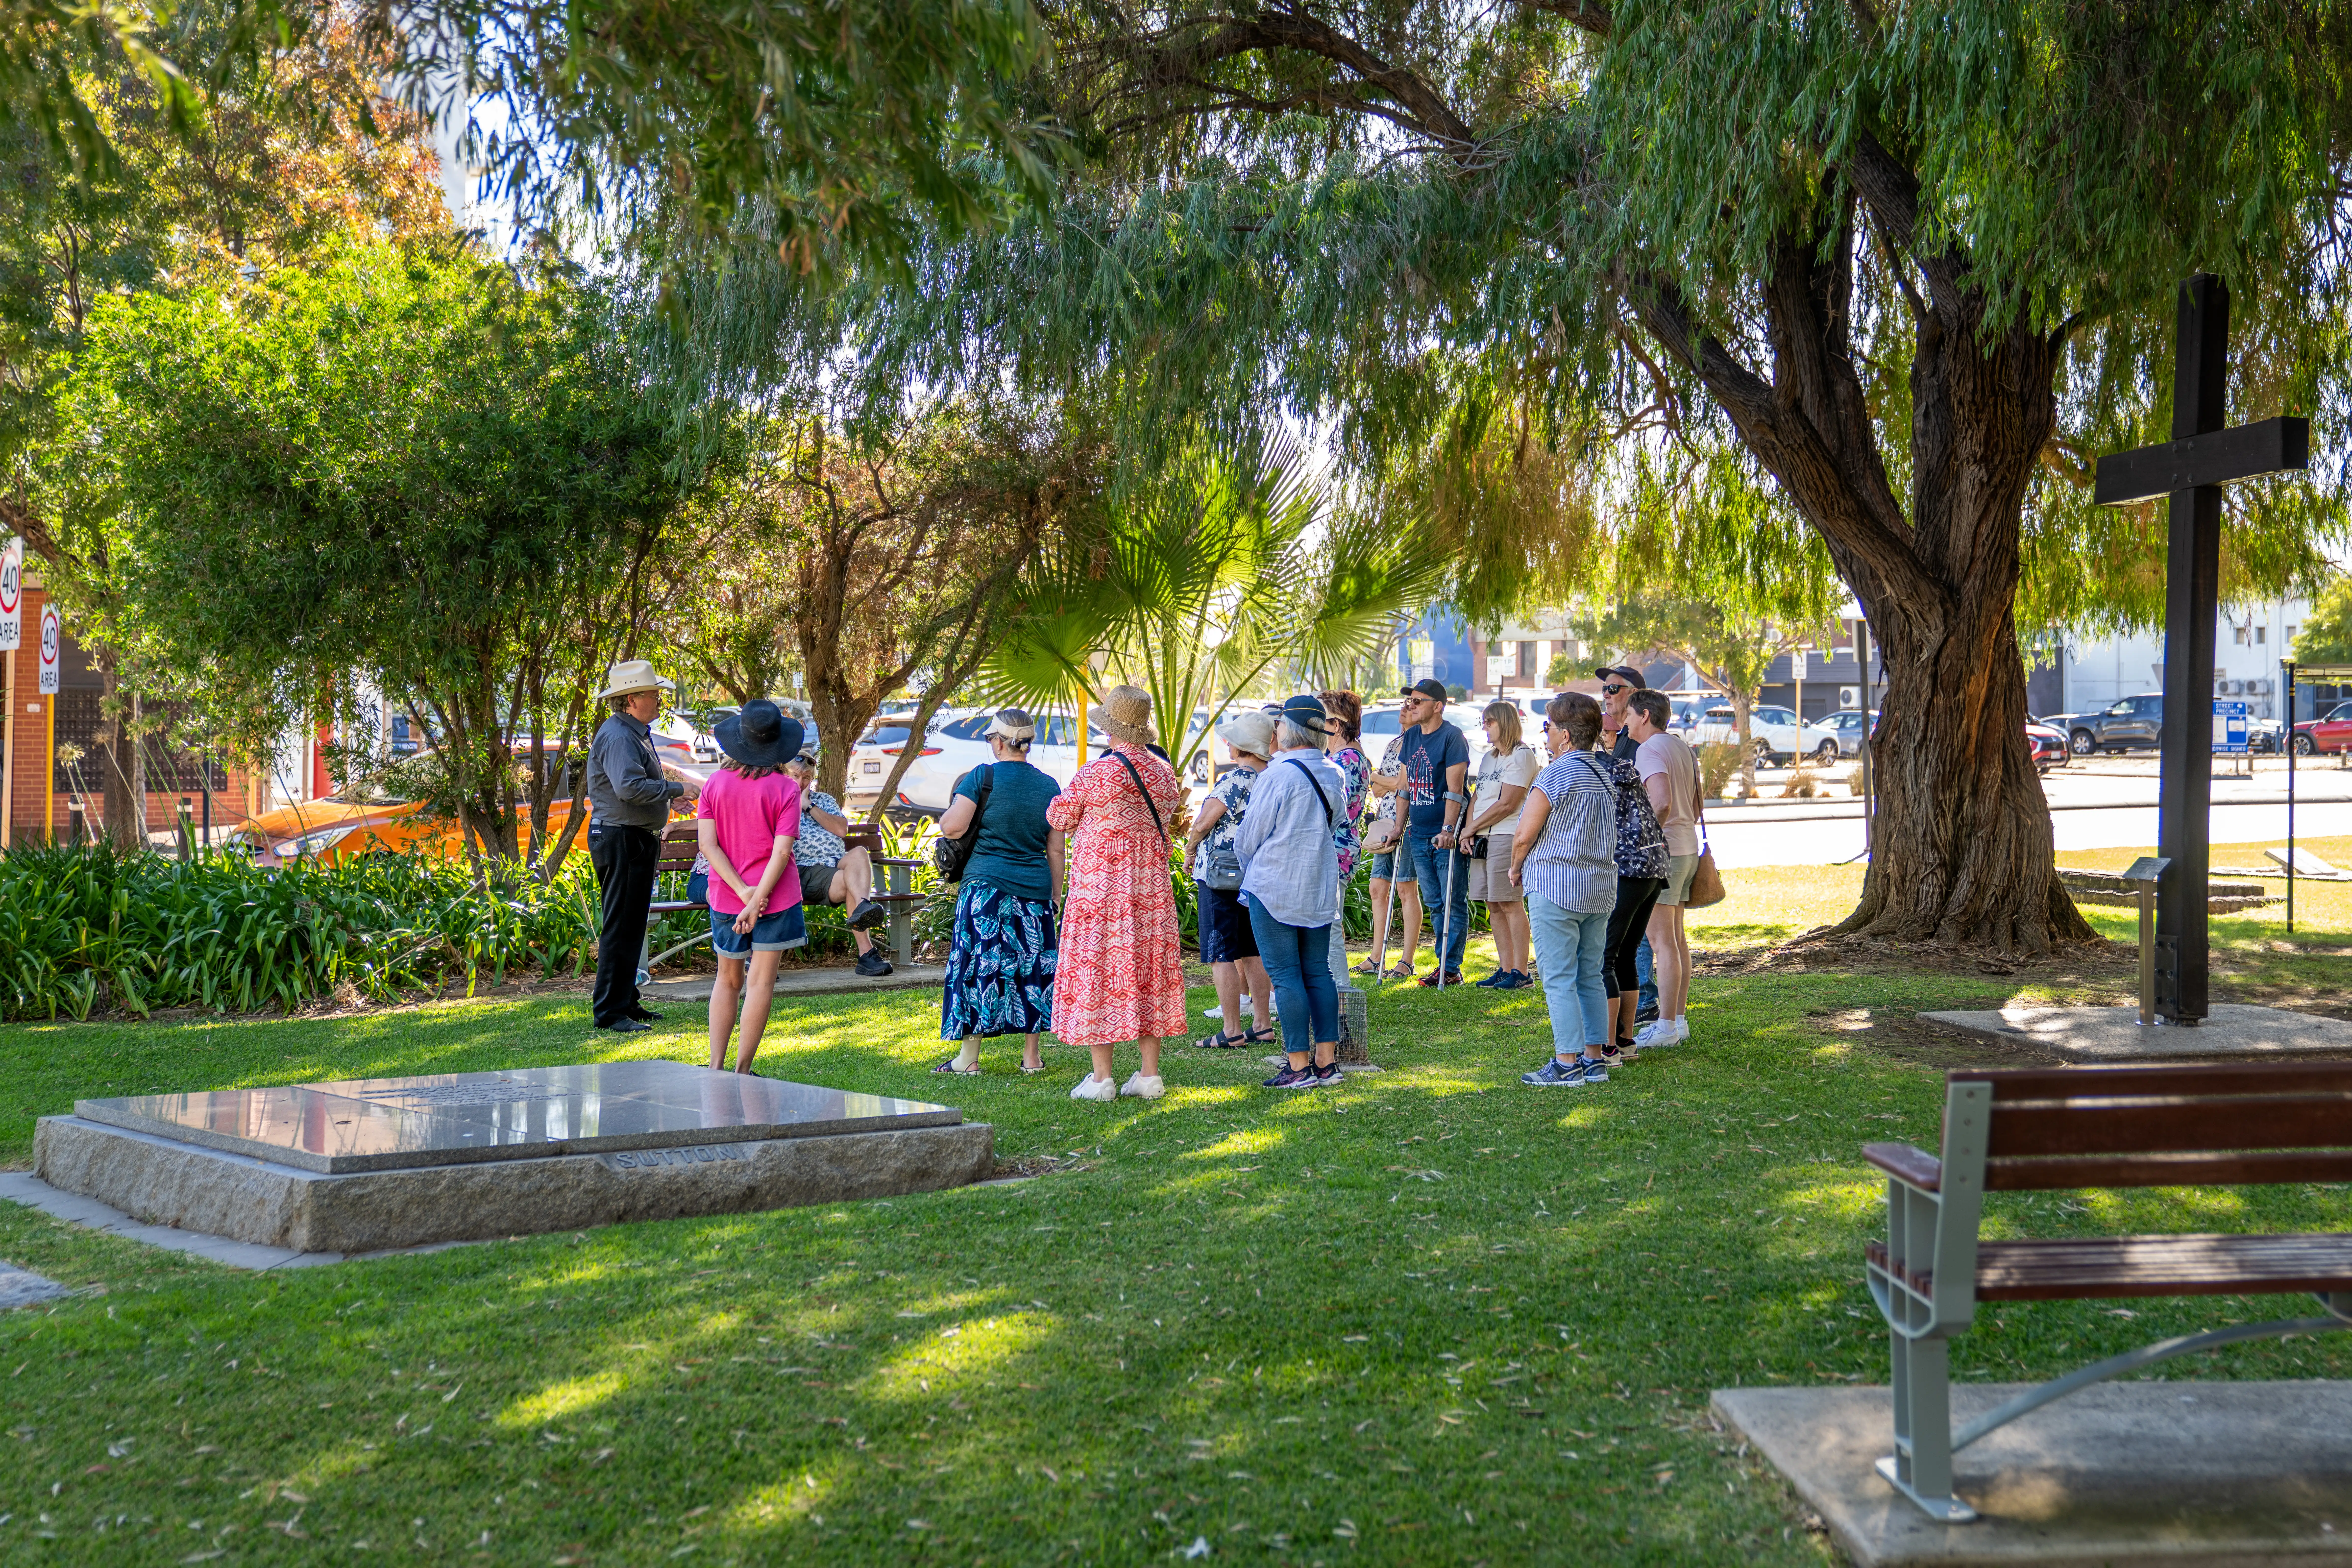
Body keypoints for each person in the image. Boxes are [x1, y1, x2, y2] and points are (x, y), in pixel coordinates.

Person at [1047, 686, 1185, 1101]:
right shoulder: (1163, 773)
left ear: (1111, 729)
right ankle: (1149, 1075)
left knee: (1099, 969)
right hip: (1149, 889)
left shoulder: (1097, 773)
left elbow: (1058, 815)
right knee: (1148, 972)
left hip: (1102, 890)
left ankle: (1101, 1078)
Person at [934, 709, 1066, 1075]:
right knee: (1033, 971)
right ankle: (1031, 1058)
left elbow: (954, 827)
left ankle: (968, 1059)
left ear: (998, 742)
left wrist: (948, 815)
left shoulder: (982, 776)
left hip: (984, 889)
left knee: (977, 966)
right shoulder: (1049, 786)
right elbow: (1056, 850)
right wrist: (1054, 896)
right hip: (1035, 890)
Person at [1236, 695, 1348, 1088]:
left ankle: (1298, 1066)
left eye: (1279, 724)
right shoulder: (1335, 773)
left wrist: (1248, 865)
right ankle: (1327, 1063)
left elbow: (1249, 837)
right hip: (1317, 883)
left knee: (1285, 976)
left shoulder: (1276, 776)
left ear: (1289, 729)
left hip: (1274, 886)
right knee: (1319, 972)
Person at [1510, 692, 1619, 1087]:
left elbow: (1525, 833)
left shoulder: (1555, 774)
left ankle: (1566, 1062)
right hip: (1599, 888)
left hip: (1557, 885)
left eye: (1550, 726)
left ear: (1567, 736)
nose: (1547, 733)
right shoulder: (1603, 775)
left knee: (1558, 977)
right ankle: (1594, 1060)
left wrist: (1516, 866)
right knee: (1589, 974)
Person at [695, 699, 808, 1074]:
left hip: (729, 897)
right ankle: (743, 1071)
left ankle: (716, 1067)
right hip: (775, 900)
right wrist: (758, 898)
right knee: (760, 982)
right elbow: (781, 855)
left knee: (727, 980)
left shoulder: (714, 784)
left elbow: (708, 846)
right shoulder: (786, 789)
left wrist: (743, 895)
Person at [585, 659, 687, 1033]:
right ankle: (610, 1013)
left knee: (631, 925)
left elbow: (633, 787)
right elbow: (628, 788)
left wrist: (665, 801)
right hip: (621, 838)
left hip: (633, 837)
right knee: (621, 926)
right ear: (631, 699)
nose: (659, 699)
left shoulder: (633, 732)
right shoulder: (619, 735)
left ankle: (626, 1002)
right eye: (652, 693)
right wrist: (676, 790)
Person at [1183, 710, 1277, 1050]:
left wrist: (1191, 849)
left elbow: (1205, 822)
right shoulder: (1274, 778)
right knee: (1254, 949)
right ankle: (1263, 1024)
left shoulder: (1235, 780)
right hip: (1256, 873)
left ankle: (1231, 1029)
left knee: (1220, 950)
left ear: (1242, 745)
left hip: (1220, 875)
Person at [1593, 715, 1669, 1061]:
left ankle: (1608, 1046)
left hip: (1627, 869)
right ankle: (1624, 1042)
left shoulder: (1594, 773)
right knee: (1624, 955)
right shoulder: (1623, 768)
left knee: (1603, 957)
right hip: (1654, 867)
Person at [781, 743, 892, 977]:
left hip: (836, 863)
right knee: (852, 883)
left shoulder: (823, 800)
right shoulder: (777, 800)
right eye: (795, 776)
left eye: (807, 778)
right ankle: (866, 954)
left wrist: (809, 806)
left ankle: (863, 906)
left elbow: (842, 830)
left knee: (860, 852)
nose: (801, 782)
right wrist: (793, 804)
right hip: (803, 870)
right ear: (783, 773)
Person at [1630, 689, 1701, 1047]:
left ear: (1645, 715)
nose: (1625, 721)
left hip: (1666, 852)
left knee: (1662, 942)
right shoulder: (1680, 746)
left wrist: (1644, 840)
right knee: (1675, 939)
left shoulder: (1649, 749)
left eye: (1629, 714)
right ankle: (1677, 1020)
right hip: (1687, 849)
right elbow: (1694, 803)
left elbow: (1660, 802)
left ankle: (1667, 1028)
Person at [1395, 676, 1471, 986]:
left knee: (1453, 900)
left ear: (1438, 707)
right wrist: (1399, 827)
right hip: (1418, 832)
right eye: (1410, 701)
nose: (1410, 706)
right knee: (1435, 903)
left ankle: (1451, 968)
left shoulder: (1453, 737)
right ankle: (1445, 964)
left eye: (1418, 701)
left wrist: (1449, 830)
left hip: (1444, 835)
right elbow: (1404, 788)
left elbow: (1456, 791)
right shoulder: (1411, 737)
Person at [1595, 664, 1659, 1021]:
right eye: (1604, 689)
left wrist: (1643, 843)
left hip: (1640, 859)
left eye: (1613, 689)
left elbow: (1657, 801)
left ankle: (1647, 1003)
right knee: (1629, 941)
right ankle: (1635, 1012)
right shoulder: (1619, 740)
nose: (1605, 696)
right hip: (1619, 855)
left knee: (1640, 938)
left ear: (1634, 696)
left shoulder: (1645, 743)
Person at [1466, 700, 1540, 988]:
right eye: (1483, 722)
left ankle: (1522, 972)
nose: (1485, 727)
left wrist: (1472, 827)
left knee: (1509, 902)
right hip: (1483, 836)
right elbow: (1478, 797)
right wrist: (1468, 831)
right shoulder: (1489, 758)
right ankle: (1505, 967)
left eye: (1490, 722)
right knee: (1492, 904)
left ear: (1505, 723)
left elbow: (1508, 803)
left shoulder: (1522, 756)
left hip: (1506, 835)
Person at [1357, 725, 1421, 976]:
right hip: (1384, 823)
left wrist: (1379, 778)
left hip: (1408, 823)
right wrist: (1388, 783)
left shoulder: (1419, 742)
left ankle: (1407, 961)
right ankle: (1377, 958)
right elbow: (1380, 790)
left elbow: (1400, 783)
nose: (1407, 707)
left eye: (1414, 703)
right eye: (1405, 703)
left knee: (1406, 889)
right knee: (1377, 888)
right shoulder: (1393, 743)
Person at [1318, 688, 1370, 992]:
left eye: (1319, 720)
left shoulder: (1347, 758)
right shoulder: (1343, 756)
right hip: (1338, 847)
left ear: (1336, 725)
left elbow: (1333, 807)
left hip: (1336, 849)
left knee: (1330, 927)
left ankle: (1340, 993)